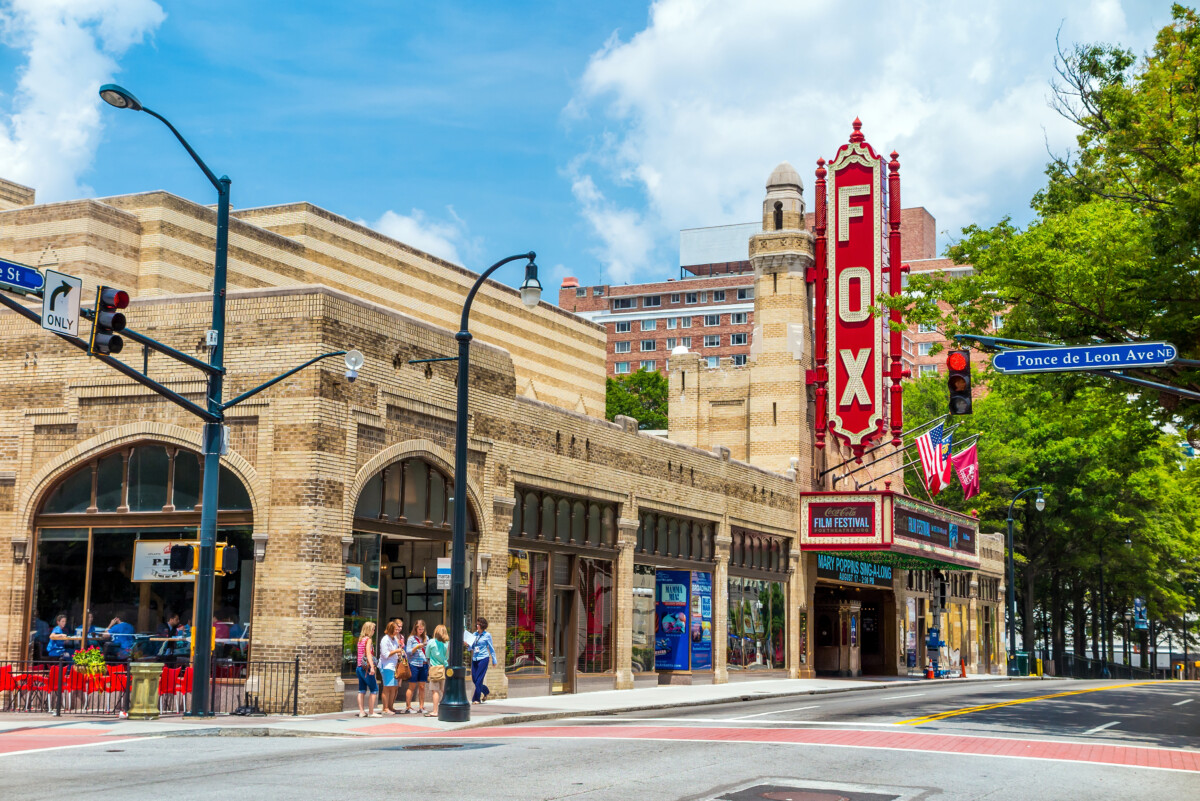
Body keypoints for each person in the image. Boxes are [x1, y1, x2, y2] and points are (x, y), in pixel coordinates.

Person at [466, 616, 498, 704]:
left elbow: (491, 648)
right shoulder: (474, 635)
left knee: (479, 679)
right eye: (477, 624)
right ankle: (486, 691)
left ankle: (476, 699)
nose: (477, 625)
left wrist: (494, 660)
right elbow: (471, 647)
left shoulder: (487, 635)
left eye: (478, 624)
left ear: (482, 625)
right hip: (475, 658)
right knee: (474, 679)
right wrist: (467, 645)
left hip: (484, 658)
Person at [377, 620, 404, 715]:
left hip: (393, 666)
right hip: (386, 666)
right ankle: (385, 708)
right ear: (391, 629)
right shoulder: (385, 639)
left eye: (398, 629)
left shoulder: (394, 639)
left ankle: (391, 706)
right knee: (387, 687)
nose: (397, 631)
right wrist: (396, 651)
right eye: (395, 629)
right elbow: (385, 654)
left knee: (394, 687)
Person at [404, 619, 429, 714]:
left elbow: (428, 651)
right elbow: (408, 652)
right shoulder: (411, 638)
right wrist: (417, 647)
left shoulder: (426, 638)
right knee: (412, 686)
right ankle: (408, 707)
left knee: (422, 686)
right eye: (419, 629)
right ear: (415, 628)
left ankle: (421, 707)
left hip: (424, 664)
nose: (421, 631)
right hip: (414, 664)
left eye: (422, 629)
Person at [355, 621, 380, 717]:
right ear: (369, 630)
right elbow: (368, 654)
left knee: (361, 690)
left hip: (359, 667)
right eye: (373, 629)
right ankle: (371, 711)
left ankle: (361, 711)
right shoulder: (368, 640)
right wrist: (372, 667)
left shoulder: (360, 639)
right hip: (366, 668)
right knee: (374, 689)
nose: (374, 631)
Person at [426, 624, 449, 717]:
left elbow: (427, 655)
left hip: (434, 668)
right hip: (444, 668)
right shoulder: (447, 643)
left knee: (435, 691)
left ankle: (435, 711)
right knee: (444, 690)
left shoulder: (431, 642)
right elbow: (447, 657)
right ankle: (446, 709)